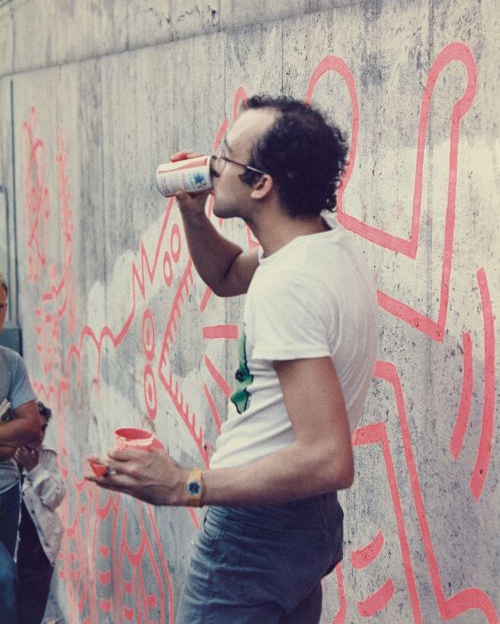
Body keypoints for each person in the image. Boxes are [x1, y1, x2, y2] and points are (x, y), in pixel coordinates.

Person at [86, 96, 379, 624]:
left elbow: (328, 457)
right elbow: (224, 278)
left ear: (261, 183)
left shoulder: (289, 285)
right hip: (300, 525)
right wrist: (192, 213)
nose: (212, 164)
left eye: (226, 156)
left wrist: (185, 484)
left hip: (255, 533)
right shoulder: (319, 246)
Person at [0, 270, 41, 624]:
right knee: (5, 578)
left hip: (6, 489)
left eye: (0, 307)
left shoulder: (10, 363)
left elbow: (31, 428)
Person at [15, 401, 65, 624]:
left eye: (44, 428)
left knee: (30, 612)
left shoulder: (46, 457)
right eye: (34, 427)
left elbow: (55, 498)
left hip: (38, 551)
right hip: (10, 548)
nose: (39, 434)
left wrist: (35, 469)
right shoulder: (6, 456)